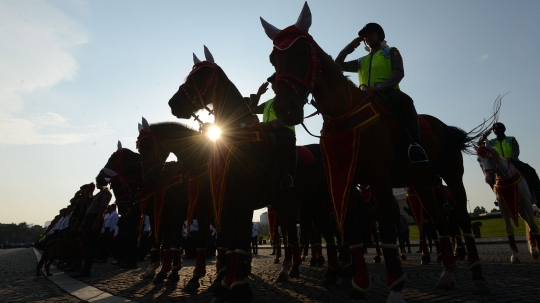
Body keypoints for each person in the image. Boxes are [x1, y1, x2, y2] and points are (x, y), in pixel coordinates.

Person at [335, 23, 428, 164]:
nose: (367, 38)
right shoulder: (361, 61)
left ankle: (415, 145)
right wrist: (350, 46)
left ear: (380, 36)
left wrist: (381, 88)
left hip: (388, 93)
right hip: (365, 96)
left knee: (406, 101)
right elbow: (338, 64)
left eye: (371, 34)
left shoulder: (391, 52)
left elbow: (398, 72)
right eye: (365, 36)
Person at [248, 74, 297, 189]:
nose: (273, 86)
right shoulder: (269, 102)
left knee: (286, 144)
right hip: (267, 131)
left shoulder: (290, 98)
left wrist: (269, 125)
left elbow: (289, 117)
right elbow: (252, 110)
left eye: (275, 83)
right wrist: (258, 94)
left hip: (285, 131)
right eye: (272, 84)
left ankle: (288, 176)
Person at [479, 122, 540, 198]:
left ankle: (538, 192)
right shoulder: (492, 142)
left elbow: (516, 150)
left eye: (499, 129)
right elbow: (479, 144)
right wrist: (484, 137)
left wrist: (512, 158)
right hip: (499, 165)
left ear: (503, 130)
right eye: (495, 130)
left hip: (514, 162)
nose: (497, 131)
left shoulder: (511, 139)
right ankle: (498, 196)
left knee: (531, 170)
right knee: (490, 178)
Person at [71, 183, 112, 278]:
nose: (97, 184)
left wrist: (96, 223)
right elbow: (87, 202)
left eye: (99, 181)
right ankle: (83, 268)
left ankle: (86, 269)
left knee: (91, 245)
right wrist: (89, 192)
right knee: (86, 244)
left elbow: (102, 209)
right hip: (89, 218)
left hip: (95, 218)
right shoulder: (99, 193)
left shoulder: (106, 193)